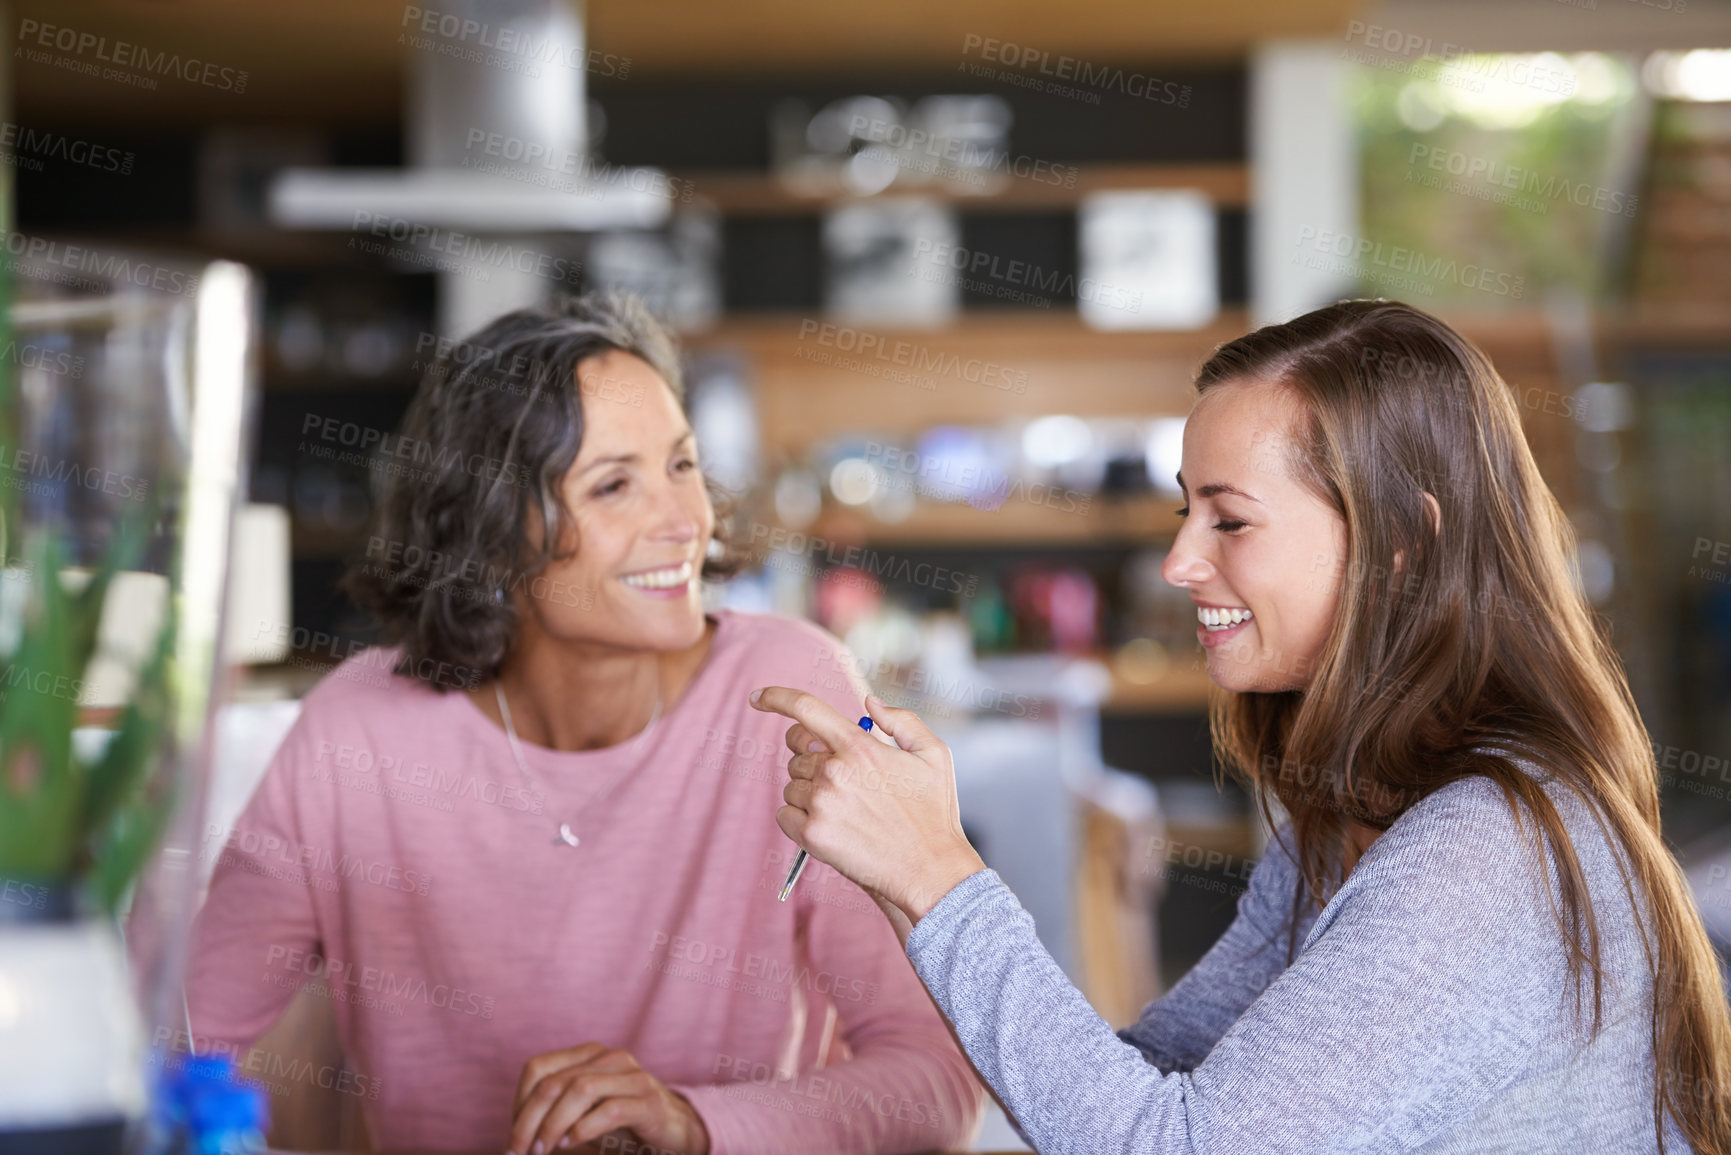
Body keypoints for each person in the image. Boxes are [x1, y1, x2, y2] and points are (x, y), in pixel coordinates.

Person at [752, 299, 1731, 1154]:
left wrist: (936, 874)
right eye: (1187, 512)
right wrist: (901, 867)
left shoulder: (1484, 855)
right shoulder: (1353, 813)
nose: (1179, 562)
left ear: (1402, 541)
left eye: (1229, 520)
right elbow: (1146, 1080)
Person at [182, 293, 984, 1154]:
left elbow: (936, 1082)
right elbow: (177, 1038)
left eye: (681, 465)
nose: (683, 521)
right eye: (613, 485)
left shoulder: (788, 693)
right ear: (492, 534)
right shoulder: (359, 728)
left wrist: (692, 1123)